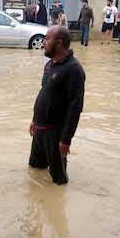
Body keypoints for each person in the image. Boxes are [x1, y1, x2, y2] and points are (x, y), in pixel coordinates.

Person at [29, 26, 86, 185]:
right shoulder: (49, 65)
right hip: (39, 130)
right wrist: (34, 120)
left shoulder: (74, 70)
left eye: (47, 39)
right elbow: (44, 94)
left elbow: (76, 107)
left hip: (55, 134)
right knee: (35, 169)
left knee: (59, 182)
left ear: (59, 43)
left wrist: (66, 140)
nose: (43, 43)